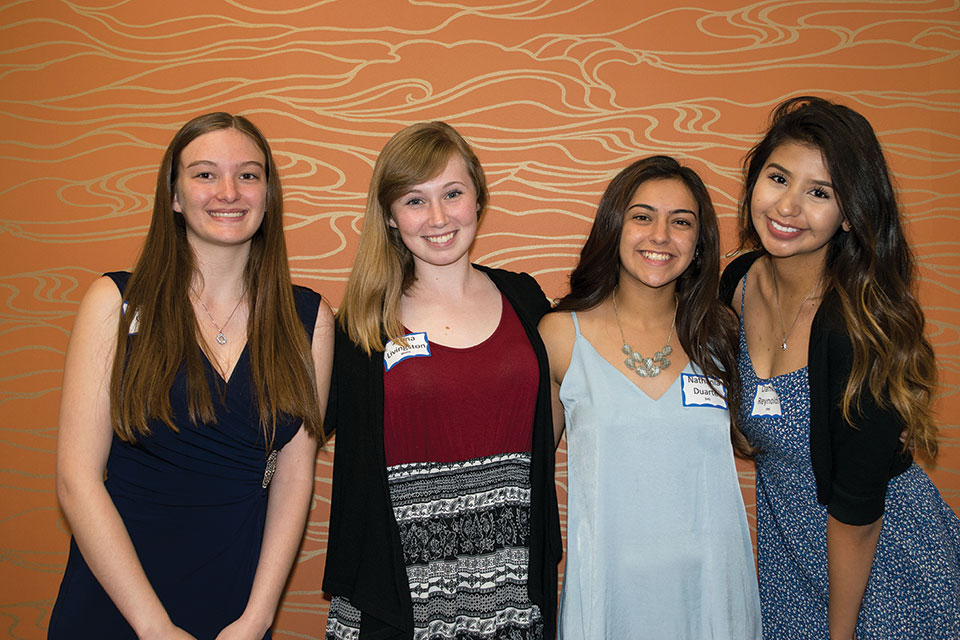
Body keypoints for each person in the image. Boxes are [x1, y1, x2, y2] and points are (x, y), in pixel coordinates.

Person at [48, 112, 334, 640]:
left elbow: (296, 475)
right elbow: (77, 481)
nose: (229, 191)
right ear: (174, 195)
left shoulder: (309, 320)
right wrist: (154, 627)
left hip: (235, 609)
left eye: (248, 175)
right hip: (117, 601)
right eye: (205, 174)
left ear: (267, 195)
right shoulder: (114, 303)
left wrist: (258, 617)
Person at [719, 96, 960, 639]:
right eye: (778, 178)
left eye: (819, 193)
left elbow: (858, 513)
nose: (788, 207)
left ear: (850, 213)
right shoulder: (736, 284)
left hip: (882, 565)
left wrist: (840, 632)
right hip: (793, 558)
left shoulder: (858, 328)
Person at [322, 121, 562, 639]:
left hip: (513, 586)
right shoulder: (361, 324)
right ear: (389, 215)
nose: (437, 218)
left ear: (478, 197)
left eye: (452, 193)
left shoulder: (526, 300)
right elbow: (292, 428)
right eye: (414, 200)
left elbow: (558, 412)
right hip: (398, 596)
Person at [539, 155, 762, 639]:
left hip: (710, 591)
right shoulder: (561, 336)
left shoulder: (722, 335)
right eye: (642, 216)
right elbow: (527, 468)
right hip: (608, 592)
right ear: (614, 227)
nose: (660, 235)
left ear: (698, 245)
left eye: (681, 222)